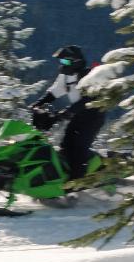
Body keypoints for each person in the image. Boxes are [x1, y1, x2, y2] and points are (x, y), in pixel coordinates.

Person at [31, 45, 105, 185]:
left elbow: (87, 99)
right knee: (66, 146)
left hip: (93, 117)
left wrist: (67, 112)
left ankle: (77, 183)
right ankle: (63, 179)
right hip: (78, 116)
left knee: (79, 148)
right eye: (61, 62)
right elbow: (54, 91)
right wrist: (38, 104)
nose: (62, 65)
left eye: (65, 62)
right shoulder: (65, 76)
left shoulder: (89, 76)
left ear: (75, 61)